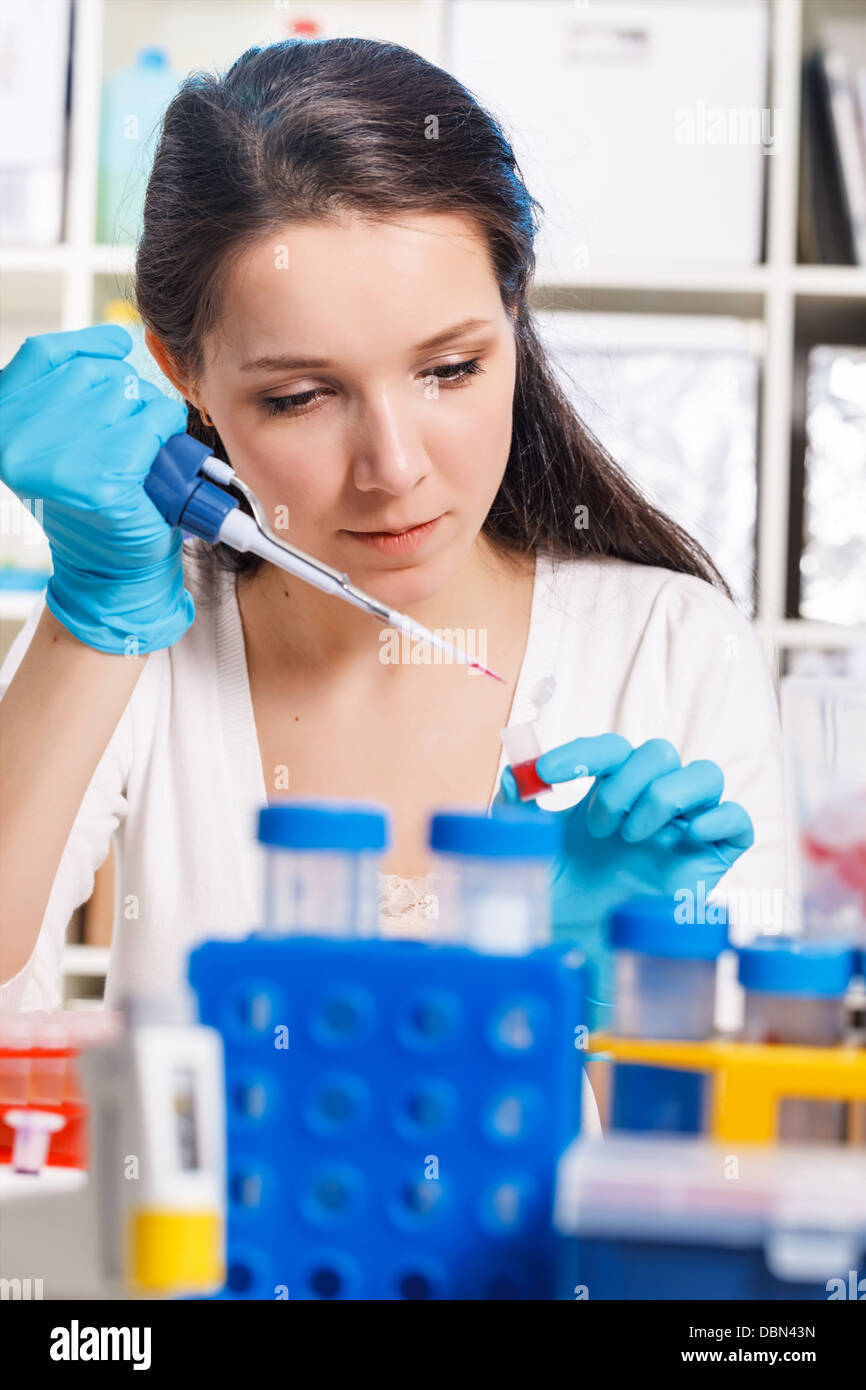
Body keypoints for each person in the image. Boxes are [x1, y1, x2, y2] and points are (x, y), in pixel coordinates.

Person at [0, 38, 788, 1037]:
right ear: (183, 373)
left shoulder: (667, 648)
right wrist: (90, 628)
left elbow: (731, 1157)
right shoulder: (138, 638)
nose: (394, 467)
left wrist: (604, 997)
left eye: (449, 369)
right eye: (298, 396)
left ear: (513, 310)